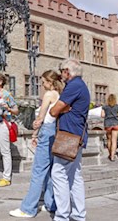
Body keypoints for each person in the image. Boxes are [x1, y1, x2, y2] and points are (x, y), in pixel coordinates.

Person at [9, 70, 64, 217]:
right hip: (55, 133)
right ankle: (51, 204)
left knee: (38, 171)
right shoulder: (60, 95)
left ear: (50, 82)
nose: (42, 84)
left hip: (46, 132)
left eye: (44, 81)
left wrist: (35, 129)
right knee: (51, 171)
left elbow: (41, 117)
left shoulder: (48, 95)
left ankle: (28, 209)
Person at [49, 58, 90, 221]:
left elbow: (53, 111)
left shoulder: (73, 86)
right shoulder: (81, 85)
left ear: (67, 71)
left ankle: (62, 216)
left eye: (61, 72)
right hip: (77, 134)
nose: (61, 76)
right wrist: (65, 107)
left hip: (69, 135)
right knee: (75, 176)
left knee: (58, 173)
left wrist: (61, 108)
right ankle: (79, 215)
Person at [101, 94, 118, 161]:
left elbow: (102, 115)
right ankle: (113, 156)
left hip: (107, 124)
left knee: (109, 140)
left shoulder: (105, 107)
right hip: (115, 123)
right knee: (114, 140)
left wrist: (108, 114)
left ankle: (110, 154)